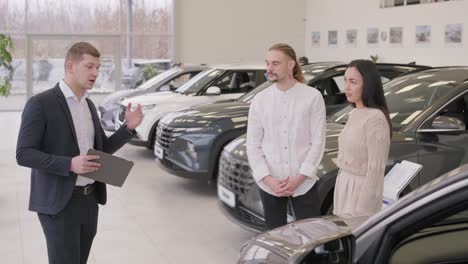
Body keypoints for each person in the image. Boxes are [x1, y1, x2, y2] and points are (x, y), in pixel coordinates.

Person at [16, 42, 143, 264]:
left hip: (89, 199)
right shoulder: (41, 103)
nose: (95, 73)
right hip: (59, 203)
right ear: (70, 66)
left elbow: (102, 148)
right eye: (89, 66)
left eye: (98, 67)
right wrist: (69, 164)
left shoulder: (89, 105)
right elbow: (24, 153)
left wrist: (128, 129)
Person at [246, 43, 326, 230]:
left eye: (275, 63)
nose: (269, 69)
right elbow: (253, 144)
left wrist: (299, 178)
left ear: (291, 65)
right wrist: (268, 179)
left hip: (304, 182)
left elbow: (318, 142)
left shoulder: (312, 97)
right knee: (275, 238)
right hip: (270, 184)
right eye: (267, 63)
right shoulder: (260, 100)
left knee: (310, 236)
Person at [333, 59, 391, 218]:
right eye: (345, 80)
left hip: (360, 192)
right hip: (345, 185)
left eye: (353, 82)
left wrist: (364, 210)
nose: (347, 87)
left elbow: (376, 170)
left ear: (368, 85)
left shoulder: (375, 118)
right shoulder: (355, 113)